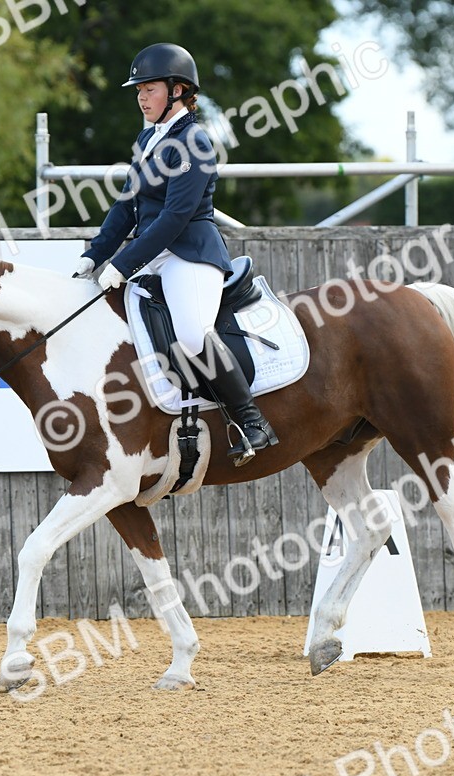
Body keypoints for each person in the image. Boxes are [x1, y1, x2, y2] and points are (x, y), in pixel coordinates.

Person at [75, 42, 277, 464]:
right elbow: (126, 206)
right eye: (138, 91)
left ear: (178, 90)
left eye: (149, 89)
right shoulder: (149, 138)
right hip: (153, 255)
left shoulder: (195, 141)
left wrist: (123, 263)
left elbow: (175, 216)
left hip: (190, 253)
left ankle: (252, 421)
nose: (141, 97)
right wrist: (94, 255)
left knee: (190, 333)